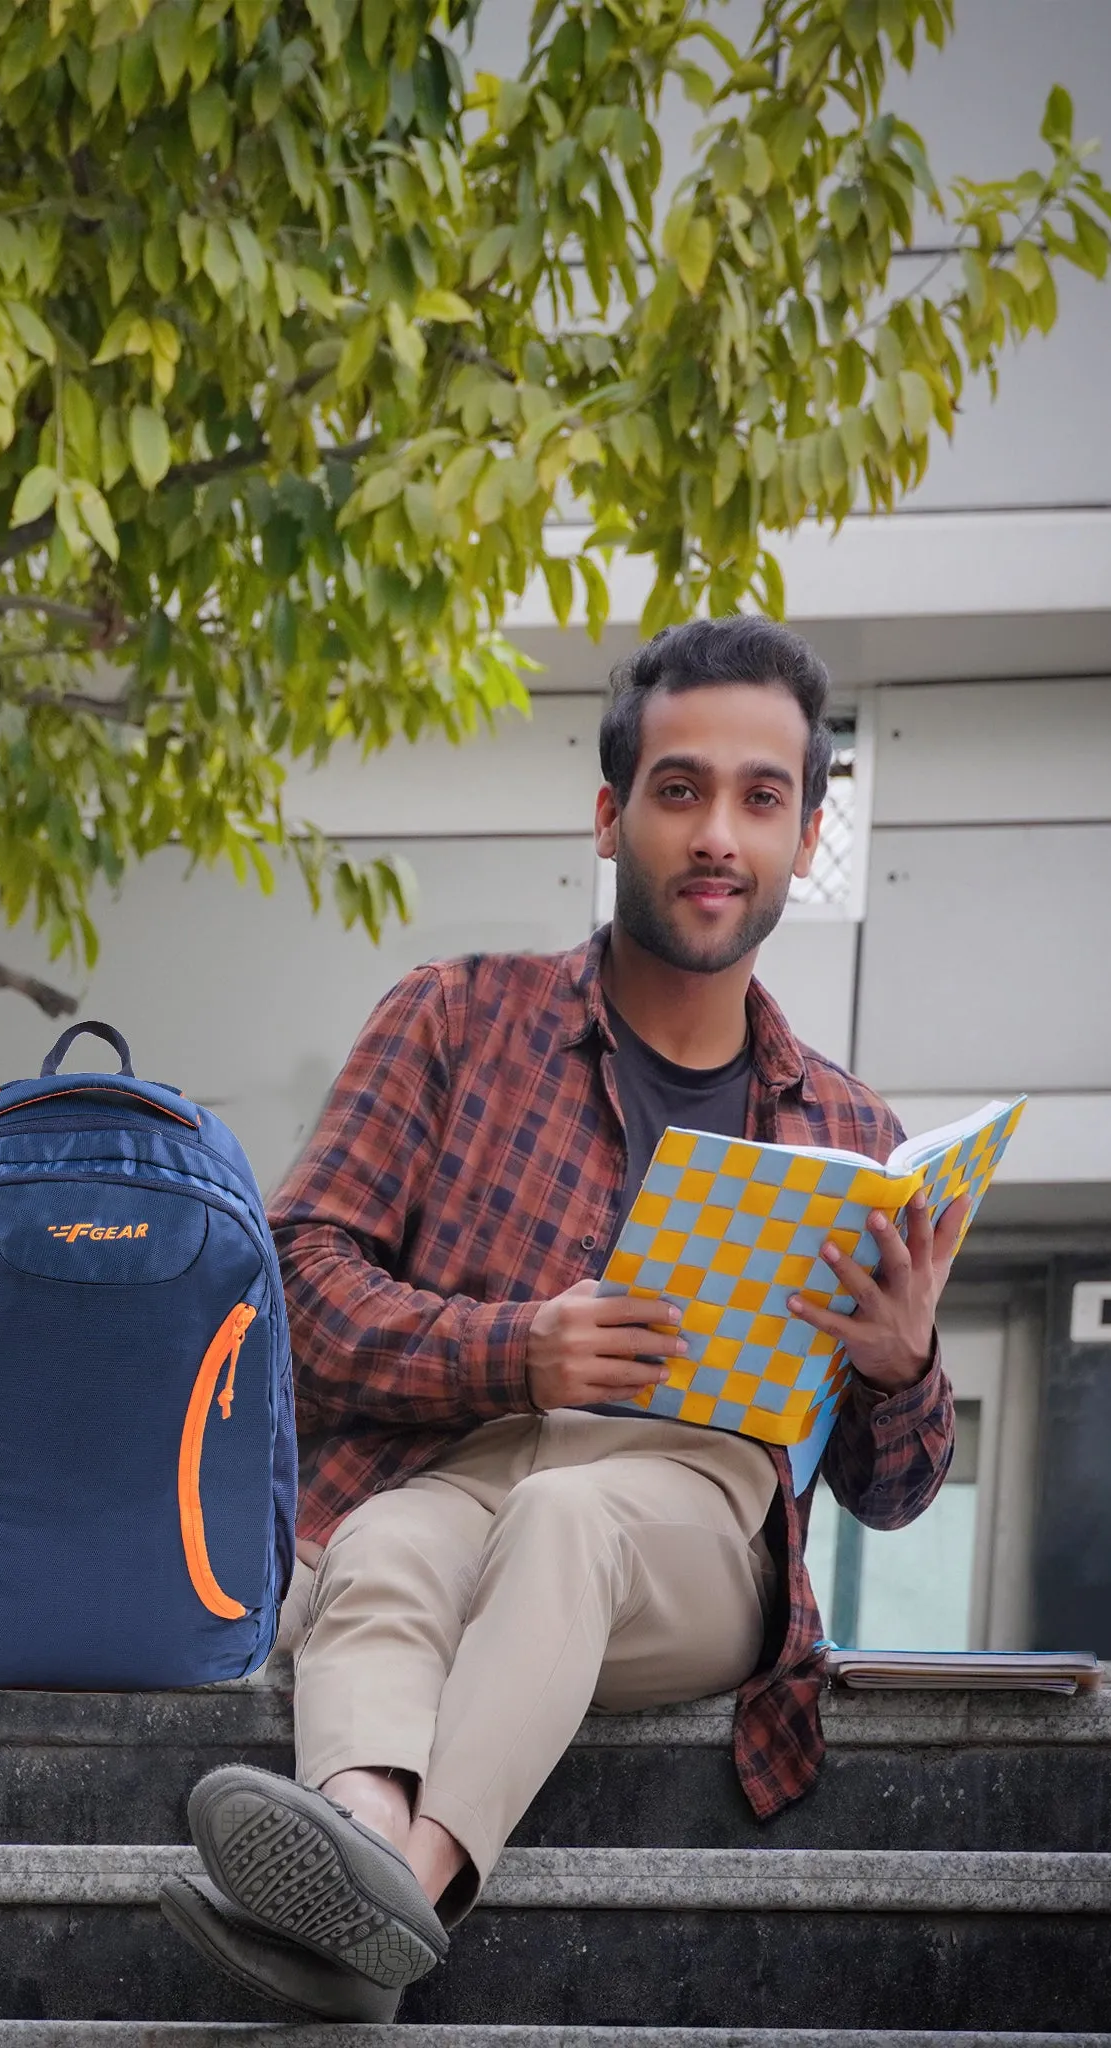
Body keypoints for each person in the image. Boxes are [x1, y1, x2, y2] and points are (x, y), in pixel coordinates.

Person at [157, 618, 965, 2021]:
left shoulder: (849, 1132)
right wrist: (514, 1347)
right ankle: (349, 1857)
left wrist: (900, 1368)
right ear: (611, 817)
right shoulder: (457, 1019)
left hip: (697, 1533)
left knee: (570, 1523)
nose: (719, 832)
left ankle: (394, 1882)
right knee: (385, 1541)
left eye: (761, 798)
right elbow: (287, 1281)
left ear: (806, 837)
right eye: (681, 789)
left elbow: (893, 1497)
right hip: (468, 1463)